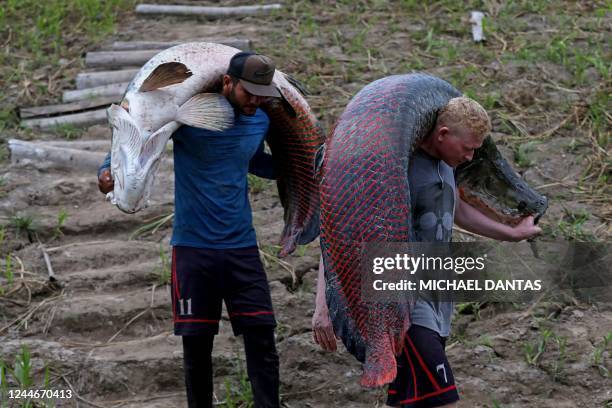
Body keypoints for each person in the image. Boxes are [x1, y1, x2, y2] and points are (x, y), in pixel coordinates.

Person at [312, 97, 542, 408]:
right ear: (443, 133)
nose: (472, 156)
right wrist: (323, 306)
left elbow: (456, 209)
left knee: (412, 400)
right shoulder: (395, 169)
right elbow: (342, 231)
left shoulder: (448, 165)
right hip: (404, 304)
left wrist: (512, 233)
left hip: (437, 301)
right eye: (468, 148)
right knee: (443, 400)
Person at [98, 52, 283, 408]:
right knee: (197, 348)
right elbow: (130, 140)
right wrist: (106, 176)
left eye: (263, 93)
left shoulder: (259, 120)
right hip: (192, 250)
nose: (256, 100)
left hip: (242, 247)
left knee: (262, 339)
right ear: (227, 82)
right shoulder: (186, 115)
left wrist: (301, 165)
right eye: (249, 92)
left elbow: (256, 162)